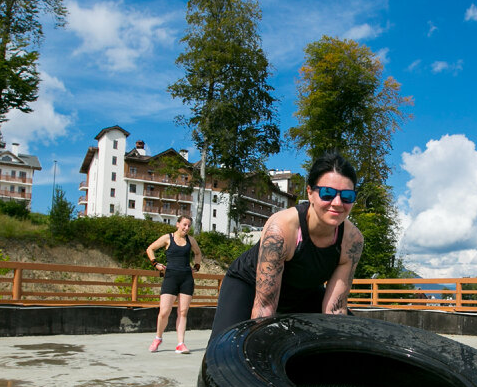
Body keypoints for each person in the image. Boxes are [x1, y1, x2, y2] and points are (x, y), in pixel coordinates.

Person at [209, 151, 364, 340]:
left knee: (352, 338)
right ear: (310, 193)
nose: (337, 203)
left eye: (347, 196)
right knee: (225, 348)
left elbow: (335, 310)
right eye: (327, 193)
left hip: (303, 291)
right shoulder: (282, 229)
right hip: (250, 285)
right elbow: (265, 308)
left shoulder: (352, 240)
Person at [146, 215, 204, 354]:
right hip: (171, 277)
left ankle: (180, 344)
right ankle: (158, 338)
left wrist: (196, 266)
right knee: (164, 312)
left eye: (189, 225)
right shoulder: (168, 238)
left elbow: (198, 253)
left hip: (186, 278)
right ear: (178, 224)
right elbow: (150, 249)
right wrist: (155, 263)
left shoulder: (191, 240)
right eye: (184, 224)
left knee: (183, 312)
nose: (186, 228)